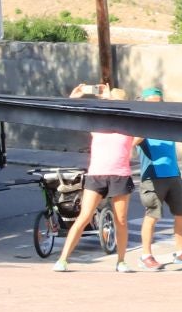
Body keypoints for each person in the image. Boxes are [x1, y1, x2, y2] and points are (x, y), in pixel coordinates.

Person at [53, 83, 136, 273]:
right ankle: (63, 259)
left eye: (114, 100)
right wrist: (75, 97)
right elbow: (71, 115)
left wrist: (112, 99)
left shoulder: (131, 124)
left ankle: (121, 261)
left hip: (120, 175)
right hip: (97, 174)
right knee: (84, 216)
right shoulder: (98, 123)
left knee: (121, 219)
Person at [132, 86, 182, 270]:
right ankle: (146, 256)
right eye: (151, 104)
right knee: (152, 216)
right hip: (153, 177)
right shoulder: (140, 126)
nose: (155, 107)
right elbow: (132, 142)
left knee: (181, 214)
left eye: (158, 104)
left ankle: (180, 252)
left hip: (173, 175)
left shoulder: (167, 123)